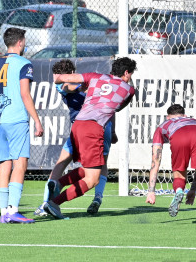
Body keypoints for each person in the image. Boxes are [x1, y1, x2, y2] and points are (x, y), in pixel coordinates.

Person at [43, 57, 137, 219]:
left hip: (78, 124)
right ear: (126, 73)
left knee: (91, 168)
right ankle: (54, 203)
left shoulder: (95, 77)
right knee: (93, 179)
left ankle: (59, 182)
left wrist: (76, 87)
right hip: (94, 128)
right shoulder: (129, 89)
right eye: (131, 74)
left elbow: (61, 78)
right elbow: (118, 107)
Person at [34, 59, 116, 217]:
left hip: (84, 128)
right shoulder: (69, 85)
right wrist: (87, 86)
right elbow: (70, 86)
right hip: (100, 127)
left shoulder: (63, 83)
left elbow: (68, 85)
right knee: (98, 165)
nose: (56, 80)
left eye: (57, 76)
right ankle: (97, 197)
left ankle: (47, 201)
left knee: (63, 162)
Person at [0, 28, 44, 224]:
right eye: (24, 41)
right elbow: (24, 94)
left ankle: (4, 212)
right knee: (20, 163)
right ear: (20, 42)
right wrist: (36, 119)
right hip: (15, 119)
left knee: (4, 165)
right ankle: (13, 210)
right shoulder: (24, 63)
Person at [145, 104, 196, 225]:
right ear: (184, 115)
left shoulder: (162, 126)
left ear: (168, 117)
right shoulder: (193, 121)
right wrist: (193, 190)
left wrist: (151, 191)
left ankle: (179, 191)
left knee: (179, 176)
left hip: (178, 135)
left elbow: (155, 161)